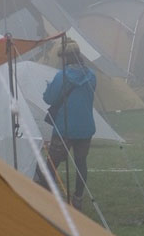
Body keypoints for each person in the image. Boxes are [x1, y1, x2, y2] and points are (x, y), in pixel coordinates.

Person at [35, 39, 96, 210]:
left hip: (64, 128)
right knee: (81, 163)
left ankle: (47, 198)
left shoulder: (61, 76)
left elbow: (49, 98)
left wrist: (49, 87)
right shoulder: (92, 76)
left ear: (66, 57)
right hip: (85, 128)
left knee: (52, 163)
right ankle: (78, 199)